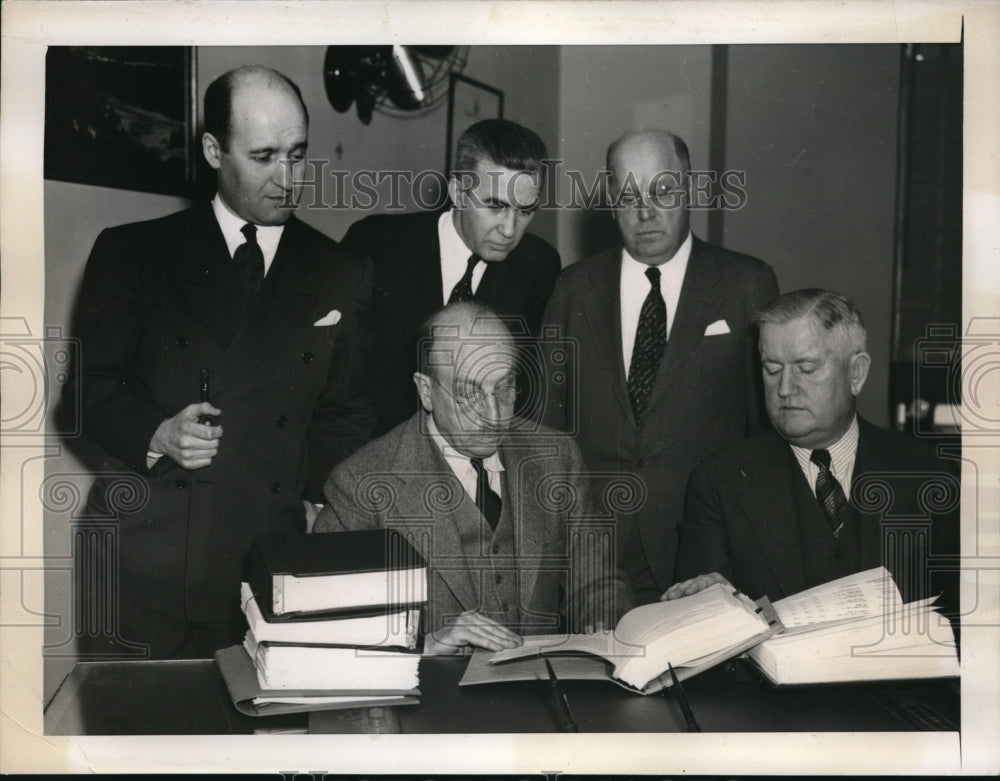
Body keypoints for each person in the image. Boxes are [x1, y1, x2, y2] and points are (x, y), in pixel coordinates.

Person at [67, 66, 375, 659]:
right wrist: (156, 432)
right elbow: (84, 392)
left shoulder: (342, 270)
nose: (287, 179)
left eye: (298, 154)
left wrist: (317, 502)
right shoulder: (133, 252)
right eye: (263, 156)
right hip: (146, 559)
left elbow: (346, 410)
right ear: (213, 150)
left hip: (266, 562)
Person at [542, 129, 779, 604]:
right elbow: (544, 430)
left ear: (690, 190)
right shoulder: (573, 289)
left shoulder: (746, 285)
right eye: (628, 195)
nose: (645, 211)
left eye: (663, 191)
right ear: (610, 201)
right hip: (592, 561)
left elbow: (766, 438)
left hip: (703, 552)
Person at [313, 302, 632, 653]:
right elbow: (327, 625)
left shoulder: (557, 458)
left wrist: (610, 632)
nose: (493, 414)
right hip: (432, 699)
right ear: (426, 391)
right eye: (468, 393)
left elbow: (595, 583)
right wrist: (427, 643)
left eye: (504, 388)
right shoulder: (362, 482)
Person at [665, 290, 959, 610]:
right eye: (772, 369)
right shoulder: (720, 483)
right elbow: (699, 627)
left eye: (806, 368)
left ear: (856, 373)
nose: (785, 389)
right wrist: (713, 604)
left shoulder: (930, 473)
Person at [341, 118, 561, 435]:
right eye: (495, 206)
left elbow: (524, 390)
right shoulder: (375, 245)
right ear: (457, 192)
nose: (510, 230)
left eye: (525, 211)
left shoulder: (539, 266)